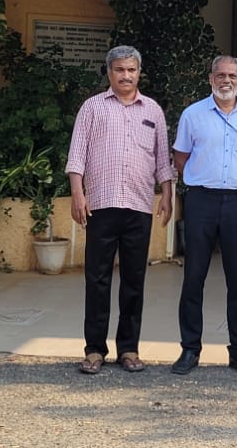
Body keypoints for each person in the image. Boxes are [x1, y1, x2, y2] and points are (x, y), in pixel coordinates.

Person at [66, 45, 174, 375]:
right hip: (101, 205)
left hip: (139, 206)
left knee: (134, 280)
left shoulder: (153, 110)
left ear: (139, 72)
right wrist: (77, 194)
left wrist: (168, 195)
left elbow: (162, 159)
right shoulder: (92, 107)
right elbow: (77, 155)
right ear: (109, 72)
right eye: (119, 70)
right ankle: (94, 350)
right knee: (97, 278)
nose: (126, 75)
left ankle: (129, 348)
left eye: (131, 70)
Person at [167, 55, 237, 376]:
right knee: (193, 276)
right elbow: (180, 158)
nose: (226, 81)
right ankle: (189, 349)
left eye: (232, 76)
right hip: (201, 201)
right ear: (211, 78)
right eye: (220, 75)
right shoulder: (193, 115)